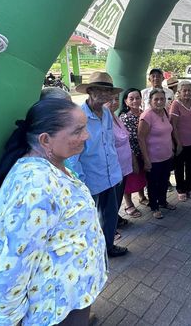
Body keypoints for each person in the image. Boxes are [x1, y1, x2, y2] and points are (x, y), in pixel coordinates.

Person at [0, 98, 106, 326]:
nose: (87, 135)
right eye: (78, 131)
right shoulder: (35, 186)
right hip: (54, 309)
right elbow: (14, 264)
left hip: (73, 295)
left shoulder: (53, 164)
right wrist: (9, 320)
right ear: (45, 140)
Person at [68, 72, 127, 257]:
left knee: (110, 216)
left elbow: (109, 143)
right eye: (100, 90)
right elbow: (73, 154)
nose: (105, 94)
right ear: (90, 91)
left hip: (111, 175)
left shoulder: (107, 113)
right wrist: (81, 181)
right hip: (89, 178)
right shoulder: (78, 116)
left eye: (108, 91)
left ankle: (108, 248)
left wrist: (116, 171)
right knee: (88, 219)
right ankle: (89, 255)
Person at [138, 89, 178, 219]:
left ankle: (163, 202)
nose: (159, 101)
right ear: (150, 101)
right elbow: (141, 138)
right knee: (153, 184)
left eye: (162, 99)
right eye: (156, 99)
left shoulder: (165, 112)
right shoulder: (147, 116)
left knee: (164, 181)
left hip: (166, 156)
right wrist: (146, 159)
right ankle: (154, 207)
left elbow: (168, 132)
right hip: (153, 158)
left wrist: (172, 148)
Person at [119, 88, 148, 217]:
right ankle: (129, 204)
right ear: (126, 101)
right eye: (131, 98)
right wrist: (133, 159)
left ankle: (142, 197)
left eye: (137, 98)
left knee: (141, 175)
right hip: (131, 153)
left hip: (144, 151)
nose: (135, 101)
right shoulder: (124, 118)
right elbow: (127, 140)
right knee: (130, 179)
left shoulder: (144, 114)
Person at [106, 93, 134, 226]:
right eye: (109, 99)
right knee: (111, 199)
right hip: (114, 168)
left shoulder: (115, 116)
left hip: (123, 166)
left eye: (116, 99)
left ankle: (114, 219)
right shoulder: (103, 120)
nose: (114, 102)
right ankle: (110, 227)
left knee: (117, 197)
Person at [169, 81, 191, 201]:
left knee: (190, 166)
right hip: (180, 142)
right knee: (179, 167)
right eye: (184, 90)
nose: (187, 93)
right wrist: (178, 143)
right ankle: (181, 189)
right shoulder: (176, 104)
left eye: (189, 90)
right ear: (179, 92)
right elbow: (173, 125)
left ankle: (189, 188)